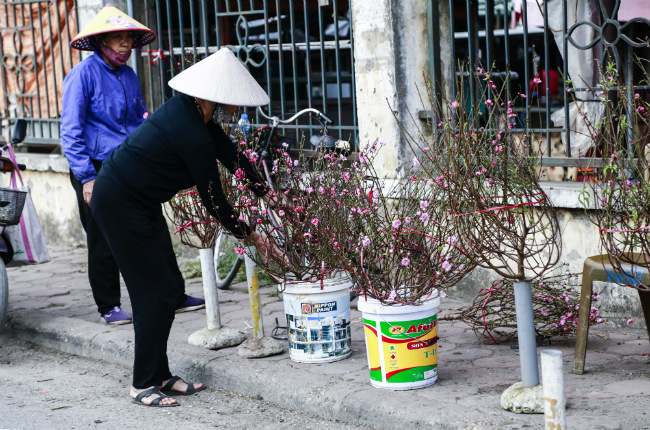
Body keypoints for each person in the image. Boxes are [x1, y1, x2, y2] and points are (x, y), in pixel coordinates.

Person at [90, 47, 281, 407]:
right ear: (210, 97)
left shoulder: (197, 118)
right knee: (153, 295)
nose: (235, 110)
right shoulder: (191, 132)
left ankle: (160, 374)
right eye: (231, 102)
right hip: (117, 203)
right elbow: (215, 200)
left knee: (168, 289)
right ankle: (142, 382)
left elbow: (233, 157)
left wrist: (267, 194)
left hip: (138, 202)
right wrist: (252, 236)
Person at [61, 5, 205, 326]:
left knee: (153, 226)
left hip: (129, 165)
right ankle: (108, 305)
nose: (126, 45)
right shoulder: (83, 75)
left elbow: (140, 122)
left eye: (129, 39)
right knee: (103, 238)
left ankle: (174, 294)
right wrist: (86, 177)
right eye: (118, 38)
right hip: (95, 168)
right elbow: (70, 132)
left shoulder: (128, 74)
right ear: (101, 41)